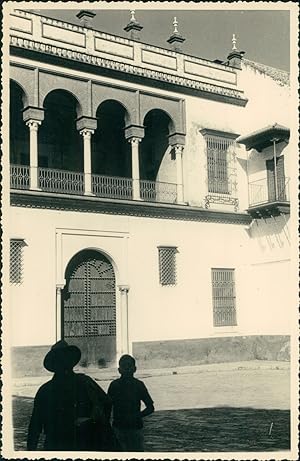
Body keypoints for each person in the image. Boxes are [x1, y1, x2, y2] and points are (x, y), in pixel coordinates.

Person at [27, 340, 114, 451]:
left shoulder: (85, 383)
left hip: (83, 443)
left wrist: (93, 422)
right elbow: (35, 425)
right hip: (59, 444)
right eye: (61, 361)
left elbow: (106, 403)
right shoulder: (46, 391)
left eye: (66, 360)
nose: (64, 365)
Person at [107, 354, 154, 452]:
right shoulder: (115, 386)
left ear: (134, 369)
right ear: (119, 370)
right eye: (124, 366)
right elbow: (107, 406)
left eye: (129, 366)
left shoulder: (137, 385)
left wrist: (138, 416)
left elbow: (150, 407)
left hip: (132, 427)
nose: (127, 369)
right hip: (121, 427)